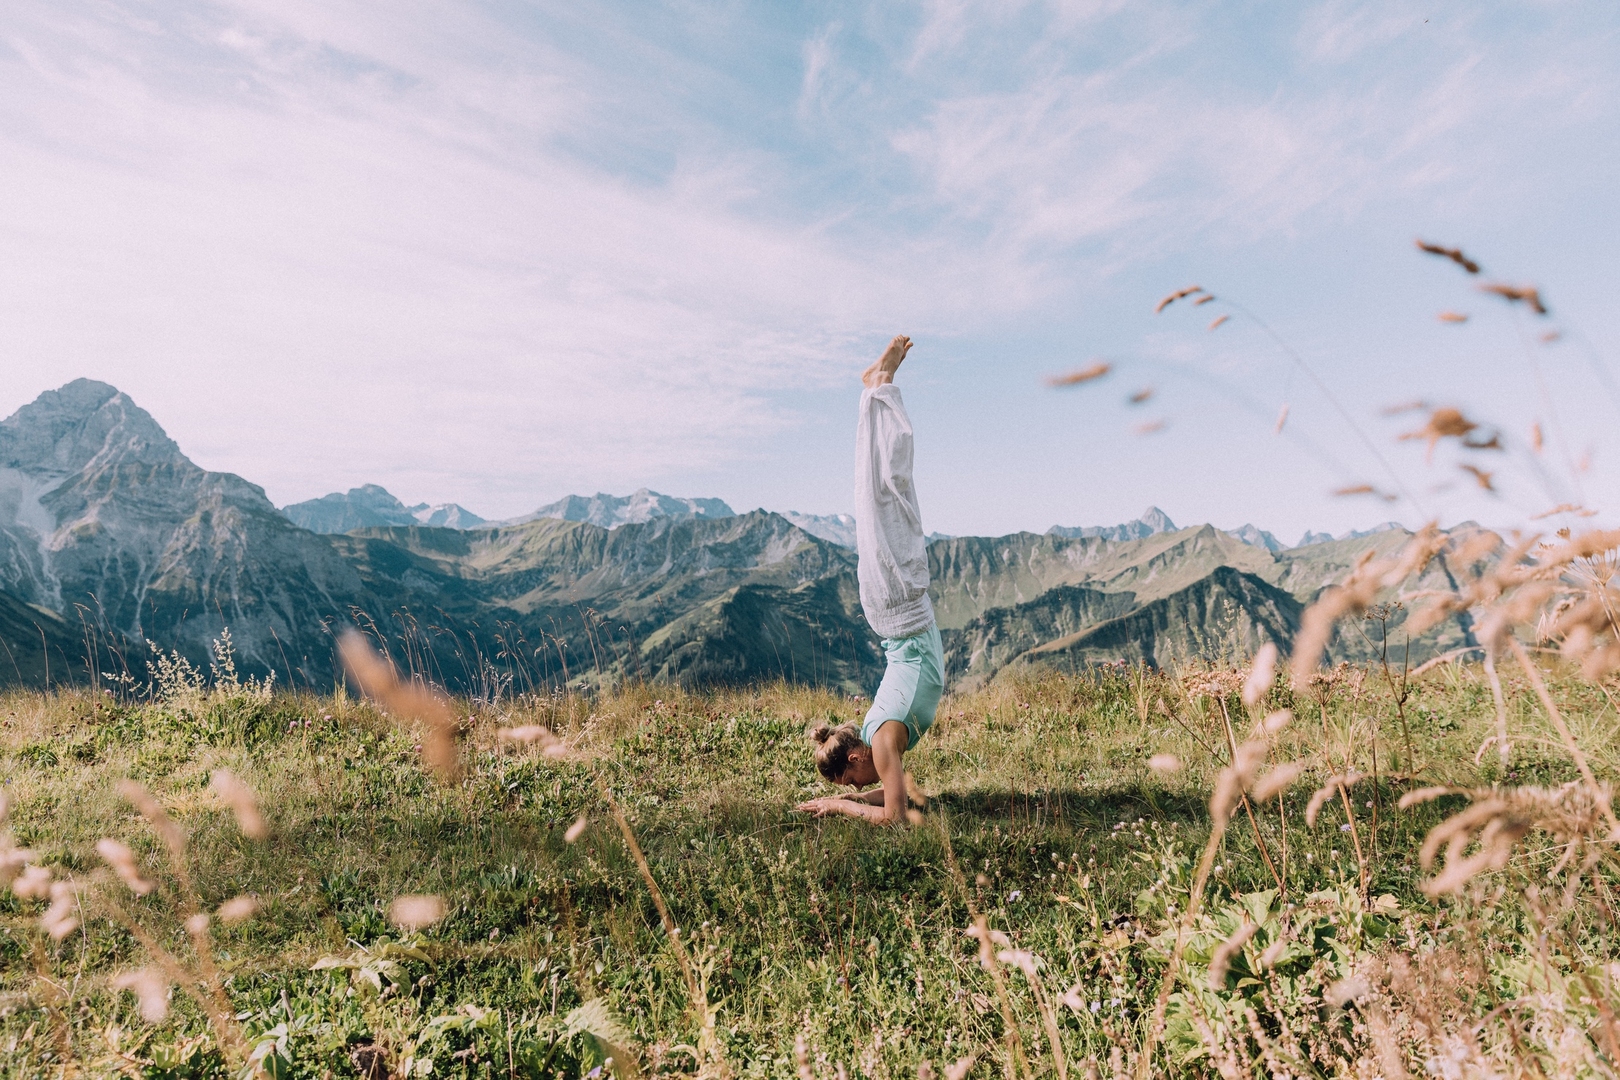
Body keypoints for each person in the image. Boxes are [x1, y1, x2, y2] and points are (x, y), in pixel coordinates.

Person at [797, 334, 945, 825]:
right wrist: (848, 800)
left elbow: (897, 817)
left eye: (852, 782)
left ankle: (878, 387)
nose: (862, 787)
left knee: (888, 494)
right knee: (881, 499)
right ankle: (876, 390)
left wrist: (839, 804)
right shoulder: (874, 736)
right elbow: (896, 797)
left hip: (900, 605)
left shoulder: (881, 746)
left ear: (856, 760)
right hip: (892, 611)